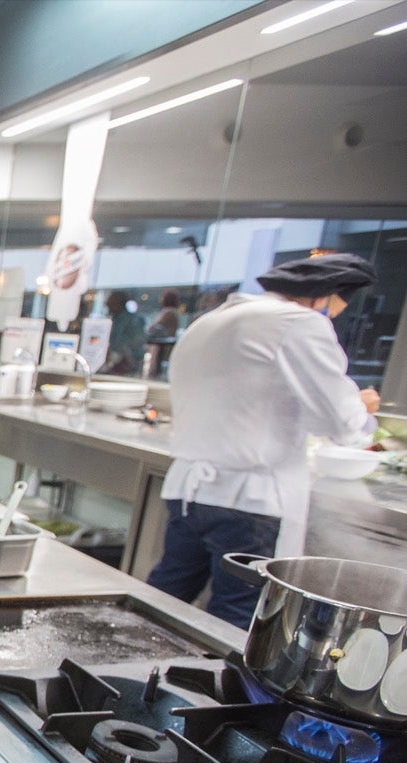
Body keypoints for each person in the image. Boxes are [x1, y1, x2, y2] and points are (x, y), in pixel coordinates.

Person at [147, 253, 380, 628]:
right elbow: (338, 420)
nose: (334, 316)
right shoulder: (299, 324)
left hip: (189, 493)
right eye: (337, 306)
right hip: (250, 501)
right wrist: (362, 405)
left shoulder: (211, 321)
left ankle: (119, 683)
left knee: (160, 606)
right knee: (237, 620)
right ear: (326, 296)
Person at [105, 290, 147, 374]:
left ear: (119, 303)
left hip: (127, 366)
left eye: (111, 302)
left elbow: (136, 344)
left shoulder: (134, 321)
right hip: (113, 364)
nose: (107, 305)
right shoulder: (113, 320)